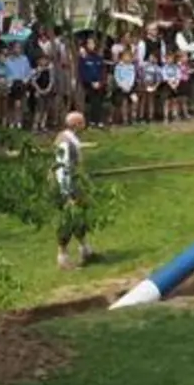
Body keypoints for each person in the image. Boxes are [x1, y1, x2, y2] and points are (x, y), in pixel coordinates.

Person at [52, 112, 97, 269]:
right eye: (82, 122)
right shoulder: (65, 141)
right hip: (67, 186)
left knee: (79, 217)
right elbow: (62, 168)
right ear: (76, 124)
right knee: (68, 220)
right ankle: (62, 256)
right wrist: (67, 192)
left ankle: (85, 249)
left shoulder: (70, 138)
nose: (84, 125)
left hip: (74, 184)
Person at [77, 39, 107, 127]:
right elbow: (82, 72)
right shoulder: (83, 59)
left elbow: (102, 71)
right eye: (89, 43)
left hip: (99, 84)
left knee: (99, 100)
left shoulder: (98, 58)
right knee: (92, 100)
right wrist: (91, 82)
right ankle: (92, 121)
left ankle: (99, 120)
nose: (91, 45)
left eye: (92, 43)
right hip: (88, 84)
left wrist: (100, 82)